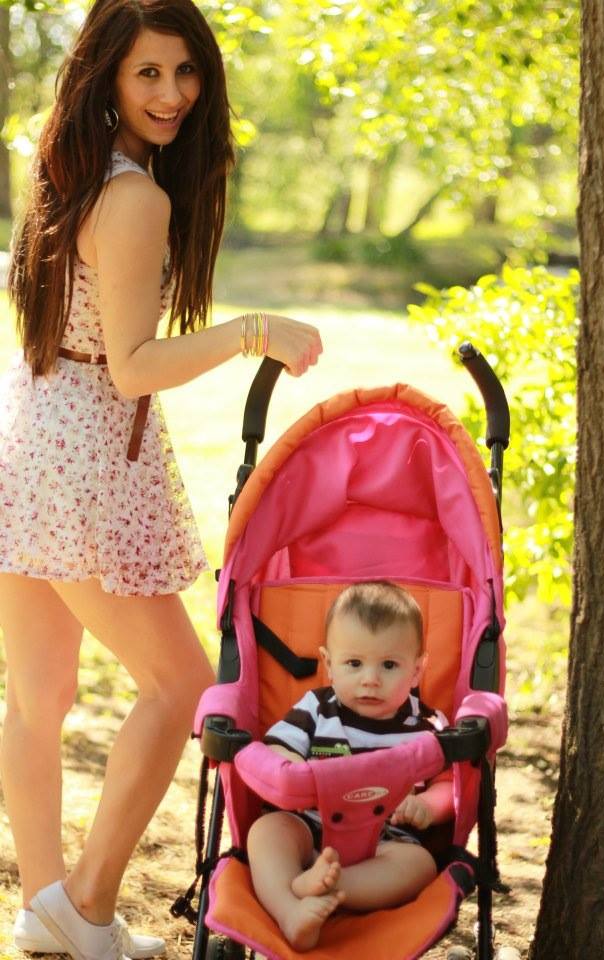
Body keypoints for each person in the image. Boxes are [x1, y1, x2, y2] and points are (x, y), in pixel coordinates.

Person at [0, 1, 322, 958]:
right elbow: (135, 365)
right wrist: (252, 332)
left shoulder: (65, 169)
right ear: (106, 74)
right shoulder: (134, 196)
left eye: (186, 72)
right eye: (149, 72)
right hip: (78, 460)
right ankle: (87, 904)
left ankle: (45, 906)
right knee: (181, 684)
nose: (173, 93)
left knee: (39, 698)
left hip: (31, 439)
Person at [247, 581, 454, 952]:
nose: (370, 679)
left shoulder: (428, 726)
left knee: (420, 864)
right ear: (329, 664)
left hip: (386, 841)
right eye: (354, 664)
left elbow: (451, 783)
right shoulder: (316, 709)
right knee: (266, 832)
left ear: (417, 669)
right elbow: (276, 749)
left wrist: (427, 806)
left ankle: (327, 887)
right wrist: (296, 774)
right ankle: (289, 911)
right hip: (310, 827)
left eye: (389, 665)